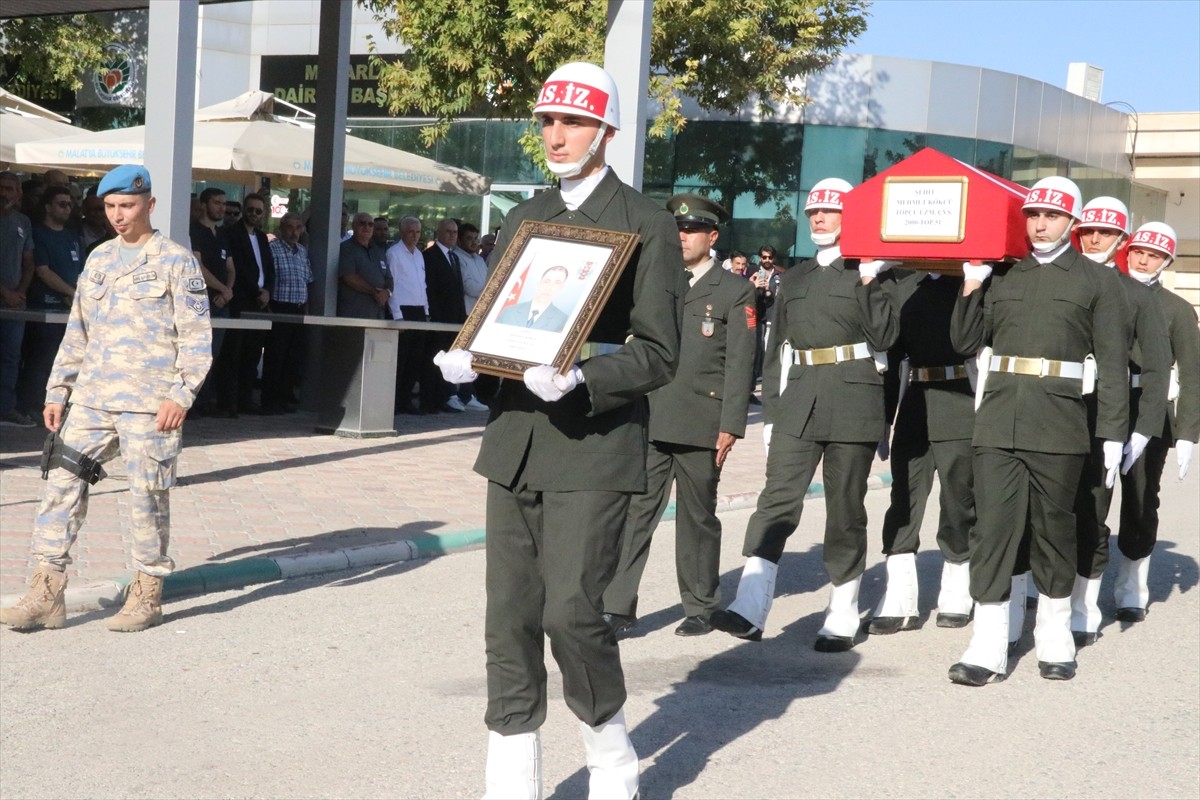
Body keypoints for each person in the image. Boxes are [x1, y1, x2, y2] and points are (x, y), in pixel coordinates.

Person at [432, 61, 686, 800]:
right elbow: (507, 322)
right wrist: (469, 360)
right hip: (515, 439)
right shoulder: (524, 217)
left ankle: (609, 753)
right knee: (508, 618)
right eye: (546, 120)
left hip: (593, 444)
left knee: (573, 613)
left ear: (605, 130)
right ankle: (510, 778)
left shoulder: (646, 222)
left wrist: (586, 378)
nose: (556, 134)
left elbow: (660, 351)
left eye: (573, 121)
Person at [0, 164, 211, 632]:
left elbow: (197, 338)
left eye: (127, 206)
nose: (118, 215)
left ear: (149, 205)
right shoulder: (98, 260)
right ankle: (46, 589)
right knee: (59, 485)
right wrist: (59, 388)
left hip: (150, 405)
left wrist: (182, 394)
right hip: (93, 399)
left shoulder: (176, 261)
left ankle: (146, 592)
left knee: (146, 496)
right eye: (110, 207)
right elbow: (78, 331)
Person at [946, 176, 1129, 685]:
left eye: (1052, 216)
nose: (1041, 224)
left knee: (1054, 531)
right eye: (1033, 215)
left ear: (1071, 223)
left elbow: (1113, 363)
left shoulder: (1097, 281)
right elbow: (964, 342)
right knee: (993, 530)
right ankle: (987, 643)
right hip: (999, 419)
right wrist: (972, 284)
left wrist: (1112, 433)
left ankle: (1053, 634)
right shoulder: (1005, 275)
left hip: (1060, 422)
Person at [709, 177, 900, 651]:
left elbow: (886, 338)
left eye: (830, 210)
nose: (818, 217)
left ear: (850, 217)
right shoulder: (794, 278)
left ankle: (843, 610)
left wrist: (872, 278)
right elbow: (777, 351)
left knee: (845, 509)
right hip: (798, 397)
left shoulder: (870, 273)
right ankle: (750, 606)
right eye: (813, 210)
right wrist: (771, 413)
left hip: (854, 398)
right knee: (776, 499)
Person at [602, 193, 755, 637]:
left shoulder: (733, 289)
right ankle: (617, 606)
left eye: (691, 230)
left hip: (700, 421)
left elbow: (741, 363)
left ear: (712, 236)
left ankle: (701, 605)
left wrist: (730, 424)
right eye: (676, 230)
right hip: (648, 414)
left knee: (698, 517)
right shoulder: (654, 280)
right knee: (634, 514)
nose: (682, 237)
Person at [1066, 197, 1170, 646]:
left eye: (1106, 232)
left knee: (1119, 504)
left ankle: (1106, 595)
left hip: (1120, 412)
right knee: (1072, 504)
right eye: (1088, 229)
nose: (1094, 238)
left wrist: (1149, 428)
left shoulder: (1137, 295)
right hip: (1065, 408)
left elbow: (1158, 368)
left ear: (1121, 240)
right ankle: (1059, 591)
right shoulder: (1064, 279)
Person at [868, 266, 977, 634]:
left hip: (959, 398)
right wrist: (884, 416)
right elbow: (892, 354)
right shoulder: (904, 285)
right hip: (914, 401)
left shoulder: (969, 280)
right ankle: (900, 598)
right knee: (904, 497)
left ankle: (957, 588)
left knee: (959, 499)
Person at [1112, 222, 1199, 622]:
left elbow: (1193, 373)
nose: (1143, 259)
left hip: (1152, 410)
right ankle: (1078, 579)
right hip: (1102, 402)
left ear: (1165, 261)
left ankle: (1132, 585)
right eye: (1138, 251)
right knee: (1087, 495)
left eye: (1153, 255)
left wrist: (1187, 432)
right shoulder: (1103, 289)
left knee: (1141, 497)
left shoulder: (1177, 310)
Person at [18, 186, 84, 417]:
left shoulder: (73, 236)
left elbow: (82, 270)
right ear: (47, 207)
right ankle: (32, 406)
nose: (68, 208)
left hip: (70, 310)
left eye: (70, 204)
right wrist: (72, 293)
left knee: (66, 359)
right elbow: (43, 271)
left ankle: (59, 405)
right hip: (44, 307)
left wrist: (77, 294)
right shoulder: (39, 233)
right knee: (41, 359)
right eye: (62, 204)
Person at [215, 192, 273, 415]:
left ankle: (246, 398)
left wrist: (268, 290)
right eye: (250, 209)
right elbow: (236, 267)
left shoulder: (262, 237)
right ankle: (228, 402)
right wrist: (255, 291)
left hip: (260, 304)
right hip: (240, 300)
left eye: (258, 211)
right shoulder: (231, 234)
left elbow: (268, 267)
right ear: (244, 210)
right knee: (233, 354)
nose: (254, 214)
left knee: (252, 353)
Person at [263, 212, 313, 413]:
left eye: (298, 228)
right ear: (282, 228)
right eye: (290, 227)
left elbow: (307, 281)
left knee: (293, 358)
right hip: (279, 306)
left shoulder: (302, 251)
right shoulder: (272, 248)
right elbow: (268, 276)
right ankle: (269, 401)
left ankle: (283, 399)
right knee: (276, 356)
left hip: (299, 308)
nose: (294, 232)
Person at [385, 215, 436, 414]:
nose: (414, 236)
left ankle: (405, 400)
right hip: (402, 310)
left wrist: (426, 311)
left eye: (417, 232)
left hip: (418, 310)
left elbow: (421, 285)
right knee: (401, 360)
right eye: (410, 232)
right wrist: (397, 315)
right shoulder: (394, 253)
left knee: (415, 359)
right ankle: (395, 402)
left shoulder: (419, 255)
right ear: (401, 232)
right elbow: (393, 285)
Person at [0, 170, 37, 428]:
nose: (4, 194)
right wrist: (6, 292)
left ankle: (6, 407)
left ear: (18, 193)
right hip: (7, 297)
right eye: (0, 188)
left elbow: (29, 261)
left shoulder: (23, 221)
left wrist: (20, 291)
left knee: (11, 357)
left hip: (16, 302)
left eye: (9, 189)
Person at [425, 218, 467, 413]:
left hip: (454, 318)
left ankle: (444, 397)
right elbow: (431, 290)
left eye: (455, 232)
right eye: (448, 231)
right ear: (439, 233)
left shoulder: (455, 257)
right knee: (435, 360)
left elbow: (458, 290)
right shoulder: (430, 256)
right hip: (438, 317)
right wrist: (435, 316)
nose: (452, 235)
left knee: (449, 360)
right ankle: (432, 400)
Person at [451, 221, 490, 412]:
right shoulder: (458, 257)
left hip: (480, 313)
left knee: (474, 357)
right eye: (469, 238)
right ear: (459, 240)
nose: (474, 243)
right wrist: (489, 290)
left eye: (476, 239)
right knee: (463, 357)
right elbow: (472, 287)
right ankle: (463, 394)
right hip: (465, 313)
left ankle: (470, 394)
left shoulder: (479, 260)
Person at [337, 212, 390, 320]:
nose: (367, 227)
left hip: (377, 315)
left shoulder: (378, 251)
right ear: (353, 225)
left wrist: (387, 292)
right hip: (353, 315)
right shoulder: (346, 248)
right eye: (362, 223)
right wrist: (374, 292)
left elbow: (389, 277)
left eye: (370, 224)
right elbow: (349, 277)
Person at [495, 265, 572, 332]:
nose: (549, 287)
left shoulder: (562, 320)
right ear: (539, 284)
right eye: (547, 281)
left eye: (557, 283)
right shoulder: (509, 311)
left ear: (561, 288)